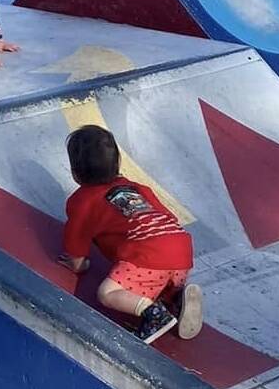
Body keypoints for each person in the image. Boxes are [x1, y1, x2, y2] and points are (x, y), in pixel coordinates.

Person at [58, 125, 203, 344]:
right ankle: (175, 296)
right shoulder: (138, 188)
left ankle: (153, 314)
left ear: (75, 173)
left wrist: (77, 264)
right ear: (117, 163)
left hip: (148, 254)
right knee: (156, 276)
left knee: (107, 293)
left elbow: (76, 244)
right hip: (181, 249)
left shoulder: (82, 201)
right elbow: (166, 217)